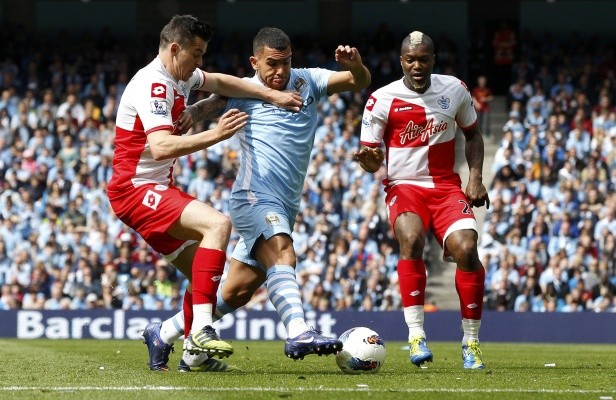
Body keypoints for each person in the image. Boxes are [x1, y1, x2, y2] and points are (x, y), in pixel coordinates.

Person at [152, 26, 371, 367]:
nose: (280, 71)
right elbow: (213, 102)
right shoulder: (246, 88)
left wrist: (355, 65)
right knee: (283, 250)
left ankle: (164, 333)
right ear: (255, 62)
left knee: (237, 291)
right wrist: (194, 113)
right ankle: (298, 330)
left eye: (285, 63)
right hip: (253, 197)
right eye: (272, 64)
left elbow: (358, 81)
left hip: (286, 203)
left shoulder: (307, 80)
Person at [107, 15, 302, 372]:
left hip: (153, 189)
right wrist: (217, 134)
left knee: (202, 280)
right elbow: (162, 147)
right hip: (136, 190)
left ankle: (168, 340)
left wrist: (270, 93)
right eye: (196, 54)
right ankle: (200, 332)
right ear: (175, 48)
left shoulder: (179, 75)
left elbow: (222, 82)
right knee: (218, 225)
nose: (200, 63)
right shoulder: (154, 84)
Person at [353, 31, 490, 369]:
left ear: (433, 60)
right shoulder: (381, 99)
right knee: (411, 240)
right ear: (402, 61)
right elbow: (371, 156)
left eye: (423, 59)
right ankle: (416, 336)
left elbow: (473, 135)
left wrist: (475, 177)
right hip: (404, 186)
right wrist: (370, 162)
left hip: (445, 187)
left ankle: (470, 343)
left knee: (468, 249)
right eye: (410, 59)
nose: (417, 65)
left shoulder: (454, 90)